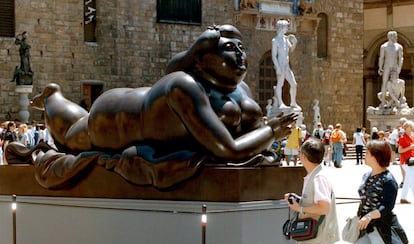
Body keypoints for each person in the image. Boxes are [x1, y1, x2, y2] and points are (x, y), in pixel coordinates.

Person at [23, 24, 296, 189]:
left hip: (138, 105)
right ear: (202, 59)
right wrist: (272, 131)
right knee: (73, 135)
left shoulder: (240, 91)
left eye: (241, 47)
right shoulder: (183, 86)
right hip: (112, 118)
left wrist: (266, 133)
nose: (239, 53)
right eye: (228, 48)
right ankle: (52, 97)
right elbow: (228, 149)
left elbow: (248, 137)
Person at [338, 140, 410, 244]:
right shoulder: (367, 175)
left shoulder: (389, 180)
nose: (365, 155)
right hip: (364, 227)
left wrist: (370, 215)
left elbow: (387, 207)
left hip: (381, 228)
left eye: (368, 153)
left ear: (376, 156)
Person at [271, 19, 298, 108]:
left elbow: (291, 50)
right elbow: (274, 55)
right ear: (282, 28)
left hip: (286, 65)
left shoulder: (286, 39)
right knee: (280, 84)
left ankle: (293, 102)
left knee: (294, 84)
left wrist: (294, 43)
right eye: (286, 27)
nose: (287, 29)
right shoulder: (275, 40)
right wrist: (277, 67)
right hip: (280, 64)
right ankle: (280, 103)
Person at [378, 31, 404, 108]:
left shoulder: (399, 46)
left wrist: (399, 67)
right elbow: (381, 57)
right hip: (387, 66)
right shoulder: (384, 46)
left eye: (396, 37)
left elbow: (401, 58)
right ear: (390, 37)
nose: (396, 38)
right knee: (385, 82)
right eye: (395, 37)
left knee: (396, 82)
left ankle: (396, 101)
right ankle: (383, 101)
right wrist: (380, 67)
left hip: (395, 66)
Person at [398, 120, 414, 203]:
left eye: (412, 127)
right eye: (410, 127)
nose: (412, 128)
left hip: (411, 161)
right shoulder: (402, 138)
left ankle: (403, 198)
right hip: (405, 161)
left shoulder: (412, 137)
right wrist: (410, 147)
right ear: (406, 128)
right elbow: (400, 150)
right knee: (412, 178)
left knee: (408, 180)